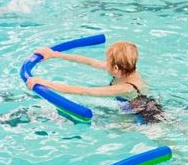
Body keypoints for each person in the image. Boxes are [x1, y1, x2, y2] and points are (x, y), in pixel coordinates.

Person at [25, 41, 164, 123]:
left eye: (107, 62)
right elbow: (89, 61)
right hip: (131, 107)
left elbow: (85, 91)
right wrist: (55, 54)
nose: (104, 64)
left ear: (115, 68)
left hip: (147, 117)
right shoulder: (124, 69)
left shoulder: (126, 87)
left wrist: (44, 83)